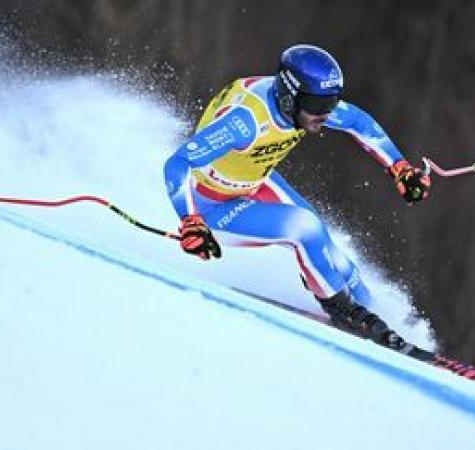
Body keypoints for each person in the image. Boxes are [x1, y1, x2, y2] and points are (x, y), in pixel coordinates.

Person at [164, 44, 431, 350]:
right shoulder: (245, 123)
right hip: (211, 206)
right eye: (319, 105)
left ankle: (382, 320)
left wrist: (399, 168)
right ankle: (341, 310)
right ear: (290, 98)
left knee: (333, 254)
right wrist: (191, 221)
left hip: (253, 183)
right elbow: (178, 163)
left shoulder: (303, 106)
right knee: (305, 229)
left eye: (331, 102)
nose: (326, 113)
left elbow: (359, 122)